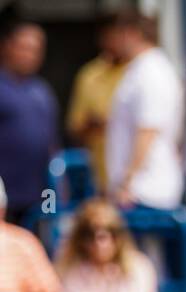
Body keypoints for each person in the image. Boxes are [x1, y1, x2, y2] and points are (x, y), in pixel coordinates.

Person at [103, 11, 184, 211]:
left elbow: (147, 130)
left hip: (144, 192)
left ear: (131, 33)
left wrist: (126, 183)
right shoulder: (142, 69)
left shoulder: (151, 72)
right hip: (140, 190)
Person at [0, 21, 57, 225]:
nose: (29, 55)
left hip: (38, 196)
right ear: (7, 47)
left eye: (35, 50)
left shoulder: (42, 91)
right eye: (24, 48)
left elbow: (51, 142)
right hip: (4, 198)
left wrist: (56, 190)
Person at [66, 19, 128, 195]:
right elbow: (75, 127)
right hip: (100, 177)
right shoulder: (89, 75)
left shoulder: (139, 71)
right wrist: (97, 124)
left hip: (138, 182)